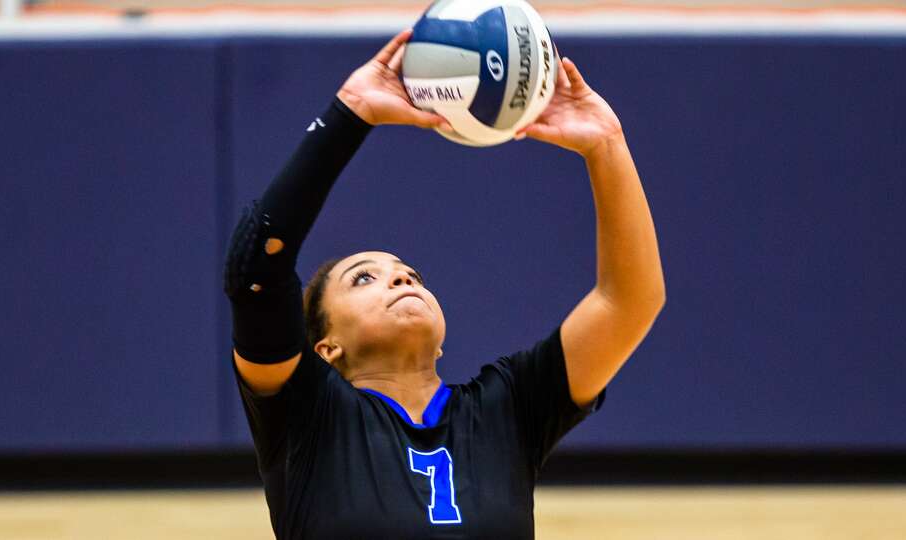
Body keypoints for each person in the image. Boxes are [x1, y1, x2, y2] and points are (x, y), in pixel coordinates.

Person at [223, 29, 665, 539]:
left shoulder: (509, 407)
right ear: (325, 347)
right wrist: (352, 112)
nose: (400, 279)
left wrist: (606, 145)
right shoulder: (306, 415)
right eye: (365, 278)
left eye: (410, 275)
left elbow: (628, 302)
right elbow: (256, 270)